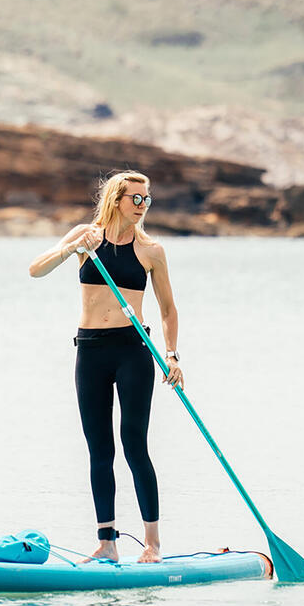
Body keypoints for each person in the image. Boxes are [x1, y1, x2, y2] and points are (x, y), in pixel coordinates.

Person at [28, 170, 183, 564]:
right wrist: (70, 249)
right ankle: (107, 542)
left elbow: (168, 309)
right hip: (91, 351)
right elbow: (36, 270)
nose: (143, 205)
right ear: (116, 198)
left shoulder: (151, 250)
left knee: (134, 445)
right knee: (99, 448)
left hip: (133, 350)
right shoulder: (86, 237)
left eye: (147, 199)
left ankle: (152, 543)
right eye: (136, 198)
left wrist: (171, 355)